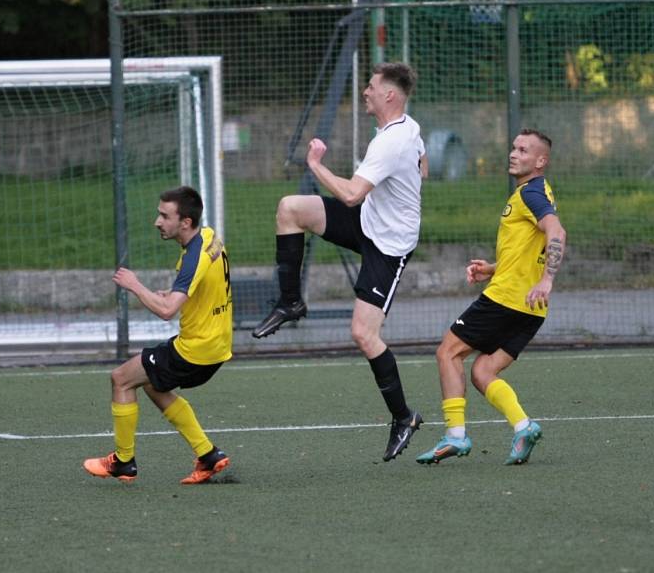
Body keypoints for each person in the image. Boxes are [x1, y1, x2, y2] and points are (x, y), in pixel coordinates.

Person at [252, 62, 428, 461]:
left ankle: (404, 417)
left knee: (364, 335)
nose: (365, 91)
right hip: (368, 221)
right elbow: (423, 161)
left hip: (389, 246)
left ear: (389, 95)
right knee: (290, 208)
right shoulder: (405, 129)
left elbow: (350, 194)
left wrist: (315, 165)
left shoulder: (391, 142)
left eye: (370, 86)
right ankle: (291, 302)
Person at [416, 128, 566, 466]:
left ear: (541, 161)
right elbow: (529, 249)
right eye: (513, 147)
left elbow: (557, 232)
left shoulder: (532, 194)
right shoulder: (535, 193)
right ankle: (524, 427)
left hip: (508, 300)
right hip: (531, 308)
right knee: (483, 371)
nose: (514, 154)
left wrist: (547, 279)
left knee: (447, 353)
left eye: (524, 150)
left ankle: (455, 436)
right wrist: (493, 268)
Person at [83, 186, 233, 484]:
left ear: (185, 222)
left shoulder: (193, 258)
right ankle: (208, 455)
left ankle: (123, 462)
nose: (157, 221)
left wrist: (135, 285)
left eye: (165, 216)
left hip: (195, 350)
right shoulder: (208, 237)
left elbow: (166, 312)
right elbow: (201, 288)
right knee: (153, 383)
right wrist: (174, 294)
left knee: (121, 378)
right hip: (216, 345)